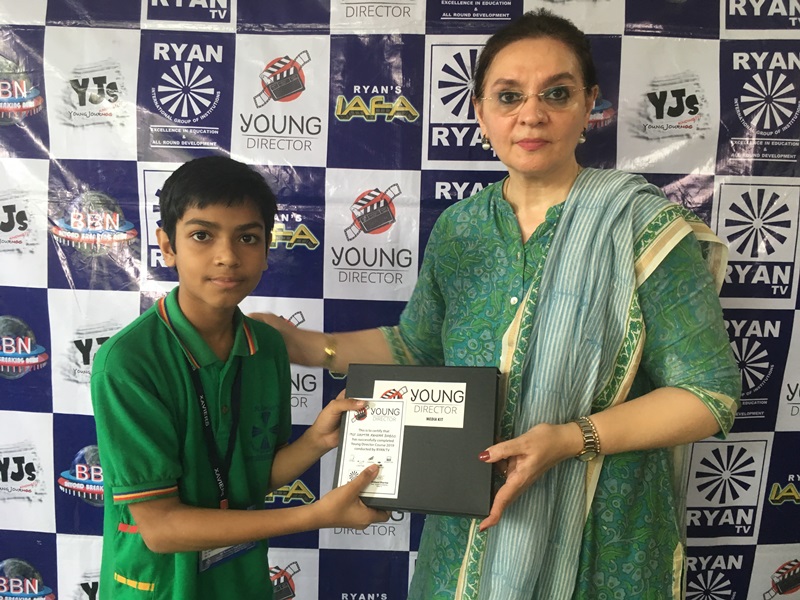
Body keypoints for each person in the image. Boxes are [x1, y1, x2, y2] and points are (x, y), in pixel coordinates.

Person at [253, 9, 741, 600]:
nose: (531, 114)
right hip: (468, 532)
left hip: (601, 536)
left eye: (556, 93)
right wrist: (308, 346)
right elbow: (417, 347)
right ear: (481, 112)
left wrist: (570, 438)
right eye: (509, 96)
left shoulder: (640, 227)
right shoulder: (460, 228)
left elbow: (708, 396)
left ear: (590, 105)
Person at [90, 156, 388, 600]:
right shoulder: (128, 361)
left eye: (247, 238)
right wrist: (315, 515)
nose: (228, 256)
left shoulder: (266, 346)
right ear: (167, 246)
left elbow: (250, 479)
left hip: (243, 581)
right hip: (161, 588)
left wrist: (316, 441)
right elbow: (161, 528)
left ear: (267, 249)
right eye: (202, 235)